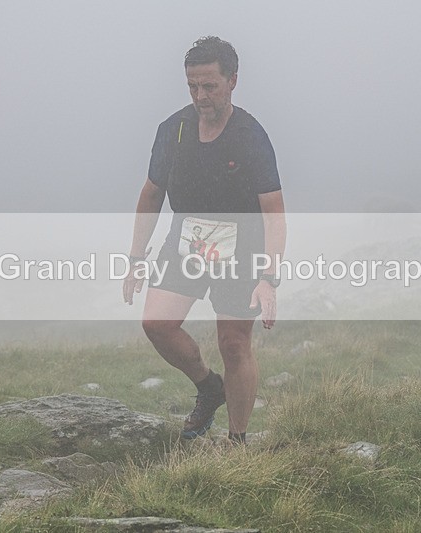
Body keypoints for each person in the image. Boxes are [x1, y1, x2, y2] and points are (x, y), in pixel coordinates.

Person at [123, 36, 286, 445]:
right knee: (156, 323)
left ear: (232, 81)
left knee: (234, 345)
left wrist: (269, 276)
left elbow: (274, 211)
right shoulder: (173, 130)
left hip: (242, 245)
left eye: (209, 86)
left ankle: (237, 440)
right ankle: (208, 386)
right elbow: (151, 193)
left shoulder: (250, 135)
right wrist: (136, 256)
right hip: (187, 242)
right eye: (193, 86)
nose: (200, 96)